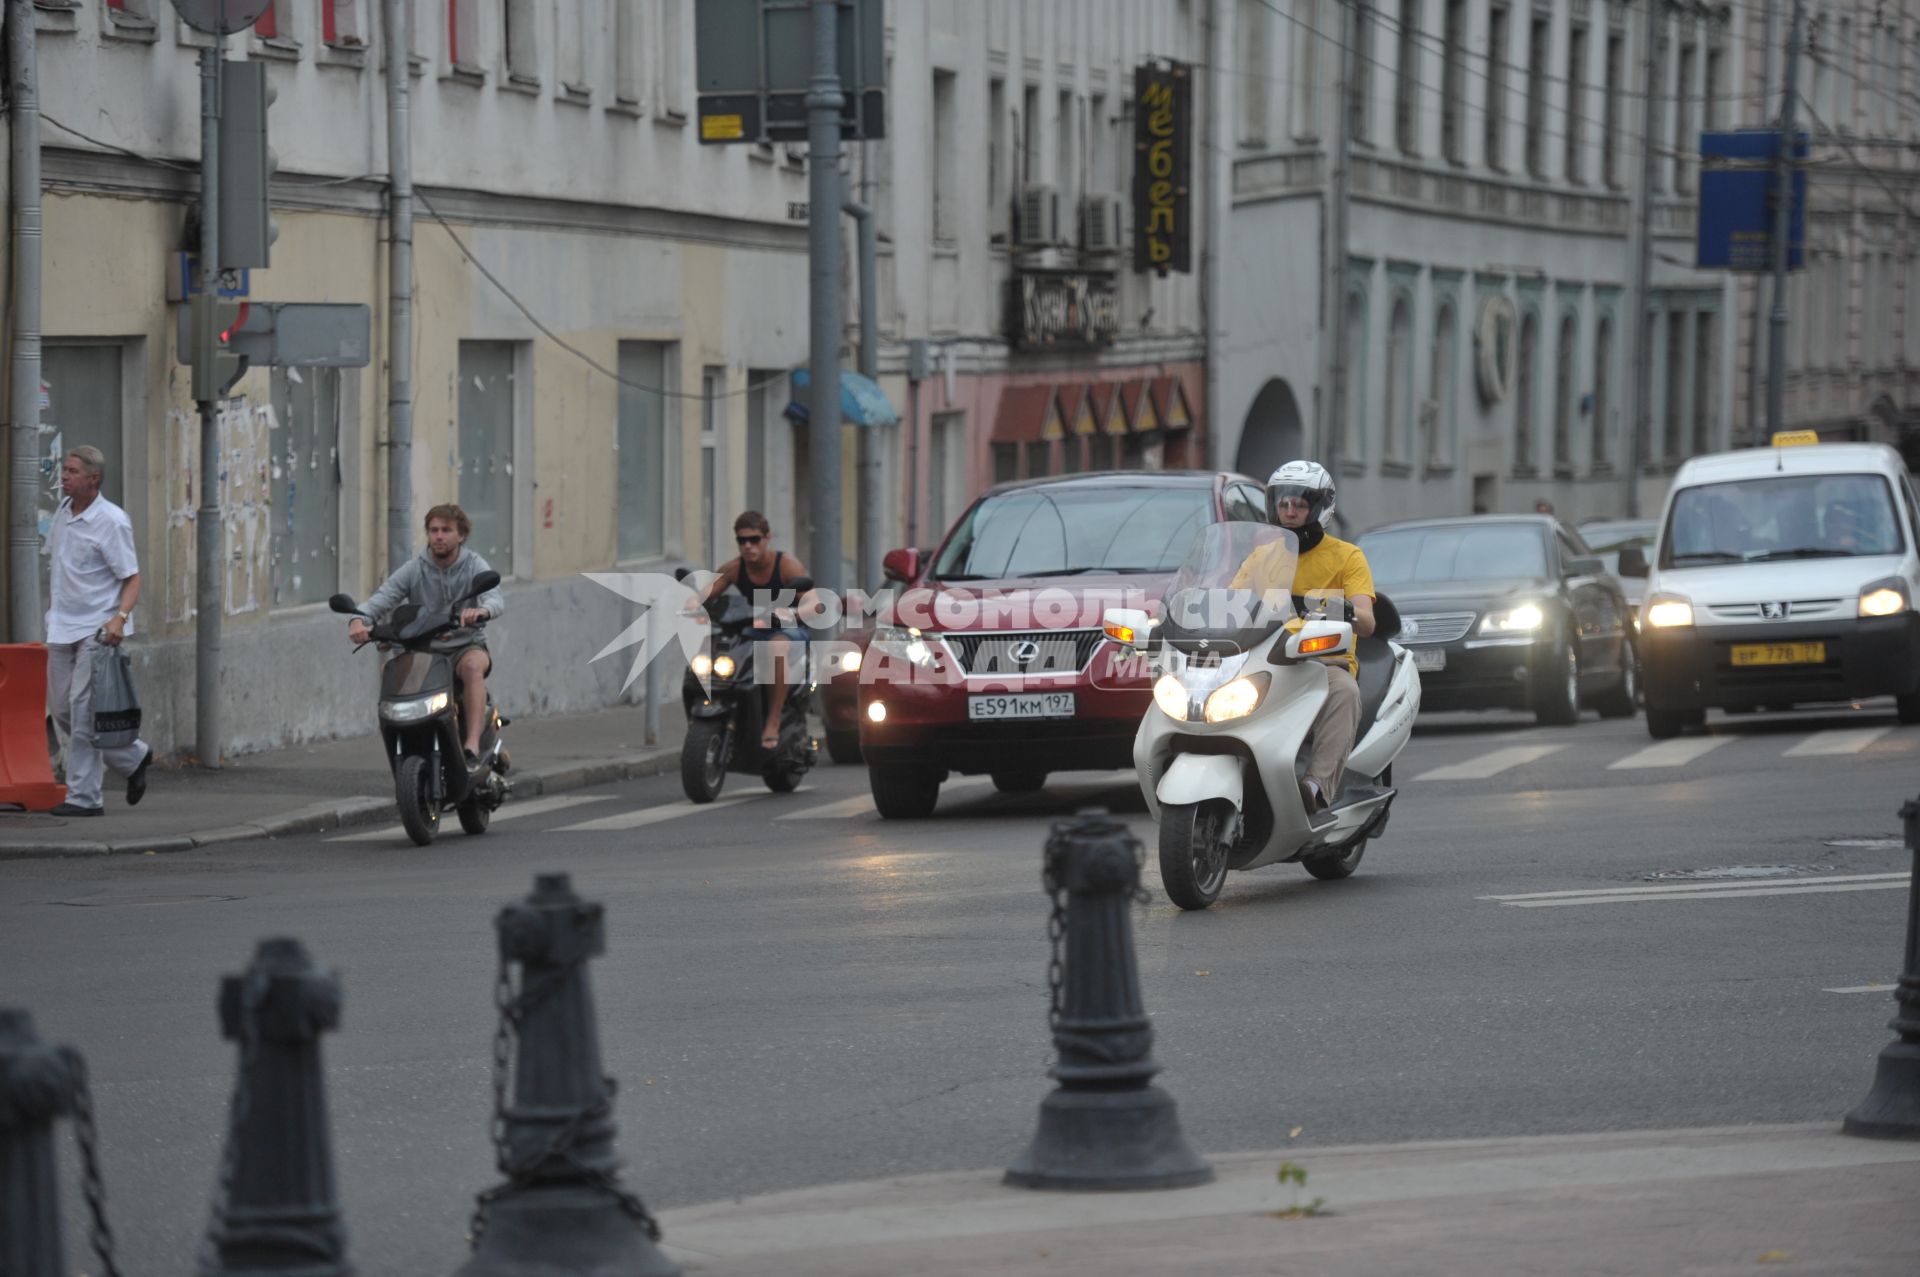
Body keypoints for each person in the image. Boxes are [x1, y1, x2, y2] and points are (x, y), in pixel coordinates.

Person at [1230, 461, 1376, 816]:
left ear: (1319, 508)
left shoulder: (1347, 556)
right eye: (1283, 504)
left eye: (1299, 504)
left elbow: (1368, 621)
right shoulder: (1262, 556)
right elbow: (1229, 604)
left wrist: (1335, 609)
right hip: (1263, 659)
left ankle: (1315, 787)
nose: (1290, 511)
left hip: (1321, 661)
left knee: (1345, 691)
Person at [348, 504, 506, 767]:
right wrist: (357, 619)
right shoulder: (415, 569)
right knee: (392, 673)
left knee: (471, 668)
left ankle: (472, 745)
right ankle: (406, 746)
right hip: (422, 649)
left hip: (464, 644)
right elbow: (381, 599)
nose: (439, 536)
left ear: (461, 535)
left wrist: (482, 611)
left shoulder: (474, 565)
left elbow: (495, 599)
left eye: (446, 530)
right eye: (433, 530)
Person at [44, 446, 154, 817]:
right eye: (64, 470)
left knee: (82, 710)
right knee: (62, 711)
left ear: (94, 478)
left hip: (97, 630)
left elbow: (132, 578)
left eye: (73, 471)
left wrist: (119, 618)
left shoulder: (112, 520)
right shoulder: (62, 512)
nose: (64, 476)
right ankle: (134, 756)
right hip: (61, 626)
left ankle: (84, 797)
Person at [696, 511, 818, 752]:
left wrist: (793, 613)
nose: (748, 546)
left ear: (767, 538)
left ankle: (772, 722)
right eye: (742, 541)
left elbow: (815, 604)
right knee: (720, 646)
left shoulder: (786, 565)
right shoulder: (734, 568)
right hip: (754, 629)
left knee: (775, 646)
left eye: (754, 540)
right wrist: (686, 604)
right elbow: (703, 594)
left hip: (788, 630)